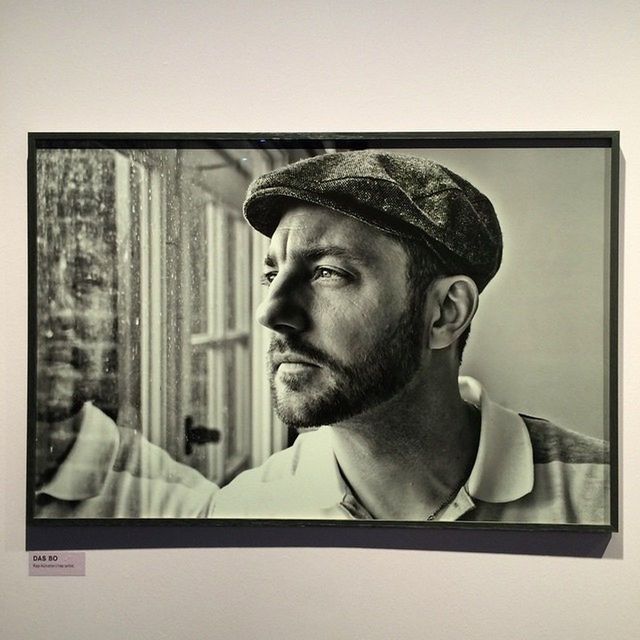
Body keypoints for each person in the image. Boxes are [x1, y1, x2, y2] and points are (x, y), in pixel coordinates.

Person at [210, 150, 610, 524]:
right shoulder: (245, 512)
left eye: (328, 272)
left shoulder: (603, 496)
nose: (270, 312)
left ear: (445, 313)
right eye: (270, 276)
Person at [34, 209, 218, 518]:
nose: (60, 313)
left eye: (87, 282)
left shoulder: (181, 507)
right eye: (31, 278)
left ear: (115, 314)